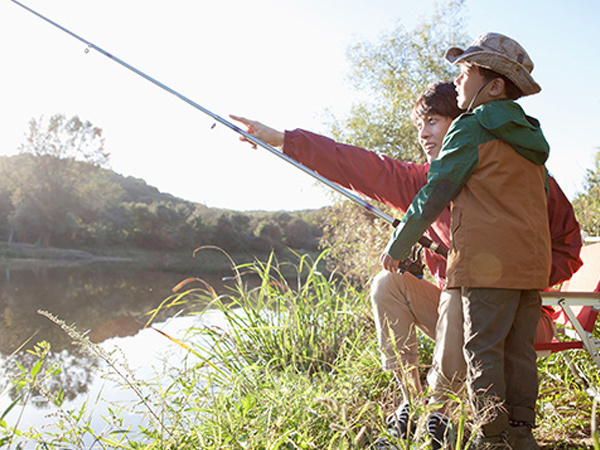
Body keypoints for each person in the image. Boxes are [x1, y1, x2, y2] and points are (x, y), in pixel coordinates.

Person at [231, 70, 581, 449]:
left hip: (520, 318)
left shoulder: (524, 172)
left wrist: (506, 275)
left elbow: (569, 246)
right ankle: (409, 402)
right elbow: (357, 164)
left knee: (458, 295)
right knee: (389, 285)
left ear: (461, 121)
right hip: (460, 316)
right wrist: (284, 140)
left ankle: (439, 414)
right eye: (419, 124)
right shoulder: (425, 182)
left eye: (433, 121)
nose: (424, 133)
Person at [380, 32, 565, 449]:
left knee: (482, 351)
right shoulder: (531, 140)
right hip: (530, 267)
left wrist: (399, 244)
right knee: (518, 354)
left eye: (465, 72)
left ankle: (491, 437)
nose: (459, 81)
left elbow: (435, 191)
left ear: (494, 85)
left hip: (487, 266)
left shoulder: (471, 127)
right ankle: (521, 434)